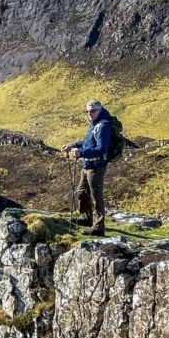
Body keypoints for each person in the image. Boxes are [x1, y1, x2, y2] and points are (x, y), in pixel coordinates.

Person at [65, 100, 112, 236]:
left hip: (96, 166)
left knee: (96, 195)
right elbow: (86, 143)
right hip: (87, 165)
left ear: (99, 110)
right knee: (82, 192)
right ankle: (85, 219)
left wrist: (82, 153)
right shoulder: (94, 124)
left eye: (92, 111)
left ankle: (99, 227)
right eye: (87, 111)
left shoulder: (103, 126)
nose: (89, 114)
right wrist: (72, 146)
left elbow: (101, 149)